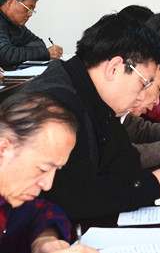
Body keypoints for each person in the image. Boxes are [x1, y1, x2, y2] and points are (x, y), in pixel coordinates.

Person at [25, 13, 160, 219]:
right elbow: (74, 198)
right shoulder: (56, 106)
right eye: (144, 84)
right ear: (114, 68)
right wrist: (154, 185)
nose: (143, 97)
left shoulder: (95, 98)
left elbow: (124, 161)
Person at [0, 92, 97, 253]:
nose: (47, 185)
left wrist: (45, 241)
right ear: (3, 150)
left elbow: (42, 211)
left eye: (55, 170)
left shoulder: (9, 198)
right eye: (43, 169)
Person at [0, 0, 63, 68]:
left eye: (32, 10)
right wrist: (44, 53)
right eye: (28, 8)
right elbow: (7, 55)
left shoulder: (18, 26)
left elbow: (39, 44)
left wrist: (17, 53)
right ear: (10, 3)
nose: (30, 14)